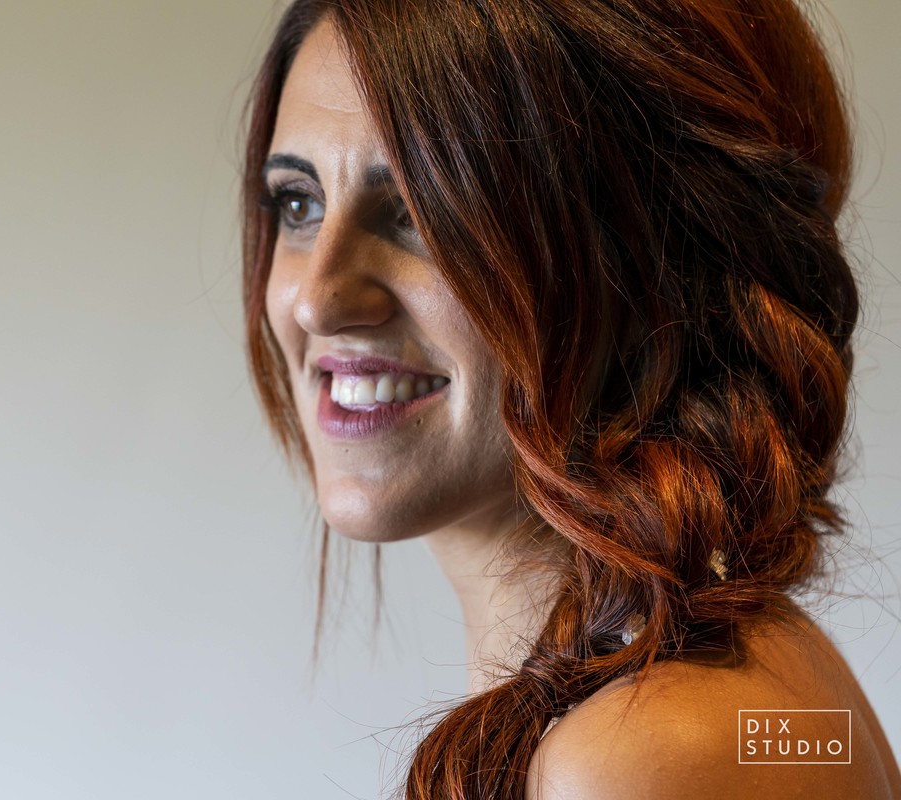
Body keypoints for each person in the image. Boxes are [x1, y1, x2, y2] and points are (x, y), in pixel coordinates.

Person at [239, 1, 901, 797]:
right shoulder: (744, 687)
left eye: (422, 207)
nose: (317, 299)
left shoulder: (640, 755)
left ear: (650, 256)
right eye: (299, 202)